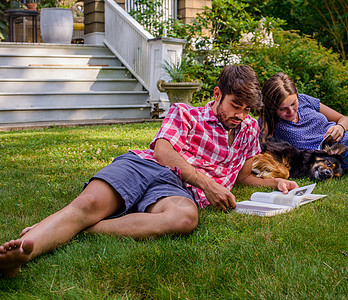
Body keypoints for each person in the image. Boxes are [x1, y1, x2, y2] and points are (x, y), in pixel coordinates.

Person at [0, 65, 298, 278]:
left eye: (247, 109)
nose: (240, 115)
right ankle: (20, 255)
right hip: (144, 167)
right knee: (88, 205)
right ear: (218, 94)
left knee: (185, 217)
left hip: (176, 191)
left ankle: (72, 228)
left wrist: (275, 183)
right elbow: (163, 152)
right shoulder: (185, 112)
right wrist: (206, 183)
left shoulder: (247, 129)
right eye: (235, 105)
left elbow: (243, 176)